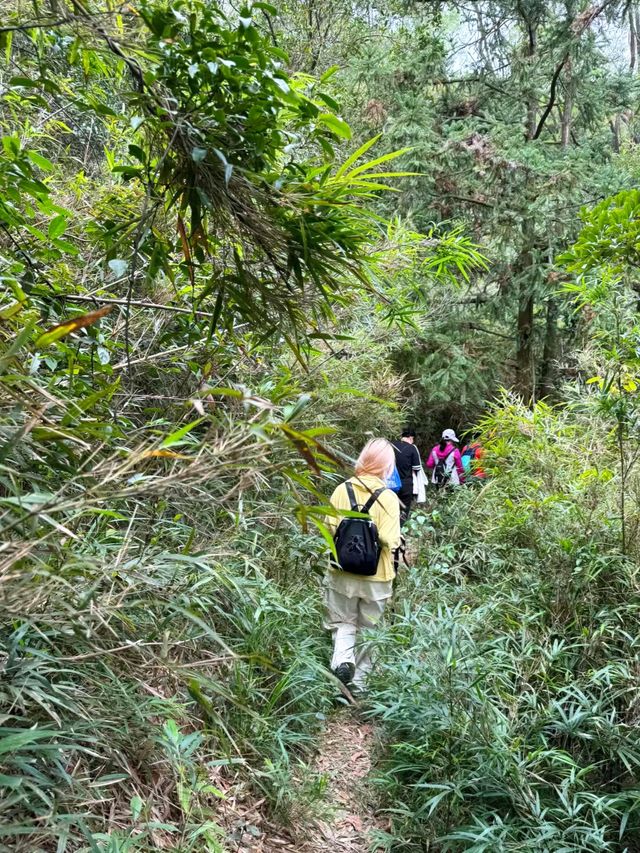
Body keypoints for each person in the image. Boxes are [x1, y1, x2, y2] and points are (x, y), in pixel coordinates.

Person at [324, 438, 401, 691]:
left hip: (341, 572)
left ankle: (343, 663)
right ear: (387, 466)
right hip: (376, 577)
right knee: (369, 628)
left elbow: (328, 528)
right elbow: (390, 540)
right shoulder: (388, 497)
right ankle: (360, 685)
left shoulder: (340, 490)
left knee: (342, 621)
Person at [391, 428, 422, 525]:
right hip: (406, 484)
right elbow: (417, 468)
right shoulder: (412, 448)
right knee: (404, 508)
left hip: (391, 483)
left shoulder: (391, 445)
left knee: (390, 506)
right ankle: (399, 529)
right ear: (411, 438)